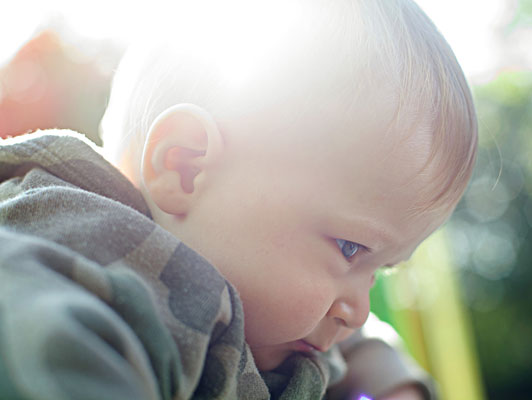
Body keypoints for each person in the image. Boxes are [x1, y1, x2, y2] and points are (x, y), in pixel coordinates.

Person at [0, 0, 477, 399]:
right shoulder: (65, 281)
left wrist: (393, 385)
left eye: (381, 271)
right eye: (351, 248)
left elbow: (358, 342)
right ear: (185, 168)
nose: (356, 311)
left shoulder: (280, 319)